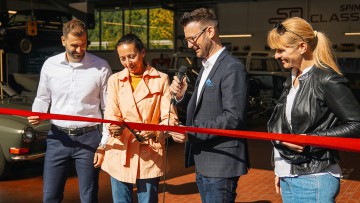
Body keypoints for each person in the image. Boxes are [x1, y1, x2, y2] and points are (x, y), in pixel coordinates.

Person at [267, 17, 360, 202]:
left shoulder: (326, 80)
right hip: (289, 173)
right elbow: (284, 126)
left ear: (302, 47)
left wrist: (311, 140)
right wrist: (280, 168)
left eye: (281, 50)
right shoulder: (291, 79)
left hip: (314, 178)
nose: (276, 56)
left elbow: (357, 124)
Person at [169, 8, 249, 202]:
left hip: (221, 162)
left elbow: (233, 117)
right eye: (186, 39)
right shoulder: (206, 66)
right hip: (205, 159)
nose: (189, 45)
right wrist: (181, 98)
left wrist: (192, 131)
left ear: (210, 32)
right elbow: (204, 108)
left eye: (192, 38)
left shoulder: (232, 67)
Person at [28, 19, 112, 203]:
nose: (80, 50)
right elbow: (43, 97)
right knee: (50, 196)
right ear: (63, 40)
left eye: (83, 44)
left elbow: (109, 109)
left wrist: (103, 145)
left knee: (89, 197)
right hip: (57, 138)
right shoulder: (50, 65)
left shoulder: (101, 67)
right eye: (74, 45)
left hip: (89, 139)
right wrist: (38, 112)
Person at [100, 33, 178, 203]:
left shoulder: (161, 79)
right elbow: (111, 114)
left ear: (143, 52)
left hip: (148, 150)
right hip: (120, 149)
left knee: (148, 200)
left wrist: (155, 131)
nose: (128, 63)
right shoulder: (115, 80)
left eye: (132, 56)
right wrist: (113, 127)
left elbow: (170, 117)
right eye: (123, 58)